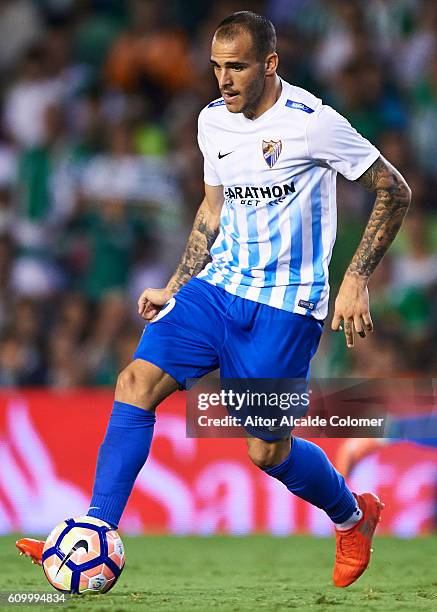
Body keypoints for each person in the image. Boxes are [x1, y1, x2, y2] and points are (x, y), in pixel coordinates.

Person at [17, 11, 411, 588]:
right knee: (134, 383)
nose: (223, 80)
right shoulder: (211, 123)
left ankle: (353, 516)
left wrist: (355, 278)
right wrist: (175, 286)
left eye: (237, 68)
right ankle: (95, 530)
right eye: (217, 68)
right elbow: (212, 209)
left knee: (267, 452)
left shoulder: (313, 124)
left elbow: (392, 189)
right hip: (218, 289)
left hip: (285, 308)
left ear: (270, 64)